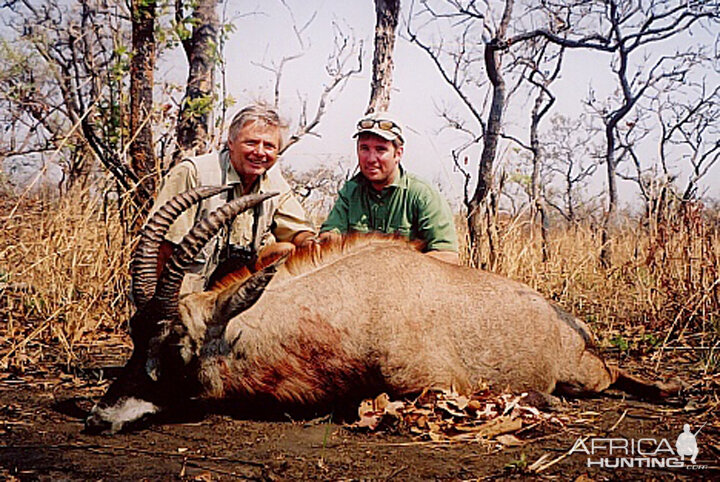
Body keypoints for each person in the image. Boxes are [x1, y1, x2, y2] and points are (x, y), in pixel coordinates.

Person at [149, 103, 316, 294]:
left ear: (277, 152)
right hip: (184, 294)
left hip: (228, 293)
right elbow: (162, 248)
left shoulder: (274, 181)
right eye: (251, 143)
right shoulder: (193, 173)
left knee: (286, 250)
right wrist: (161, 306)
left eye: (269, 146)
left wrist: (313, 245)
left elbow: (299, 233)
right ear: (231, 142)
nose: (260, 152)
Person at [320, 112, 459, 264]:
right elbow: (329, 239)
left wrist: (395, 269)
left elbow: (447, 256)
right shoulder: (350, 191)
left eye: (381, 150)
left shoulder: (422, 195)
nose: (371, 159)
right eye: (364, 148)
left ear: (398, 154)